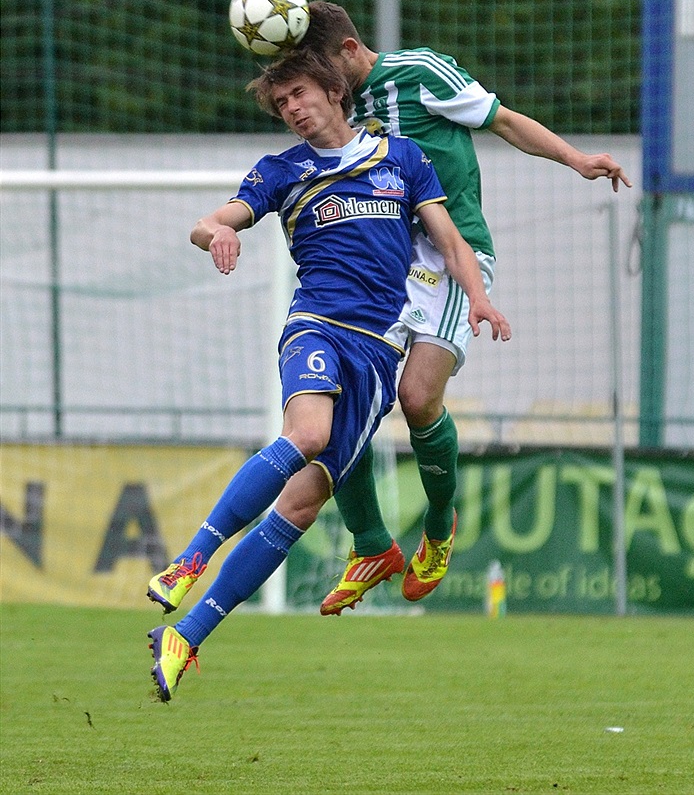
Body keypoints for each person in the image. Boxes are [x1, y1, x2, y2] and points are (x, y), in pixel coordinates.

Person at [145, 48, 511, 701]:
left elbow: (449, 238)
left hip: (378, 351)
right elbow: (214, 219)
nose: (291, 109)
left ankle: (186, 636)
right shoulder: (283, 171)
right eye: (281, 103)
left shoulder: (402, 159)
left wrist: (476, 295)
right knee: (307, 433)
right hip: (315, 325)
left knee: (303, 502)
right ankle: (189, 561)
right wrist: (215, 235)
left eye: (298, 94)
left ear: (335, 89)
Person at [296, 1, 633, 615]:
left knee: (418, 397)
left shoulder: (421, 72)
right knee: (343, 400)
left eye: (328, 77)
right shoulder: (334, 106)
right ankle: (370, 543)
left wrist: (577, 159)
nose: (323, 93)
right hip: (382, 262)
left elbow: (502, 121)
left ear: (348, 51)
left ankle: (440, 526)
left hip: (453, 255)